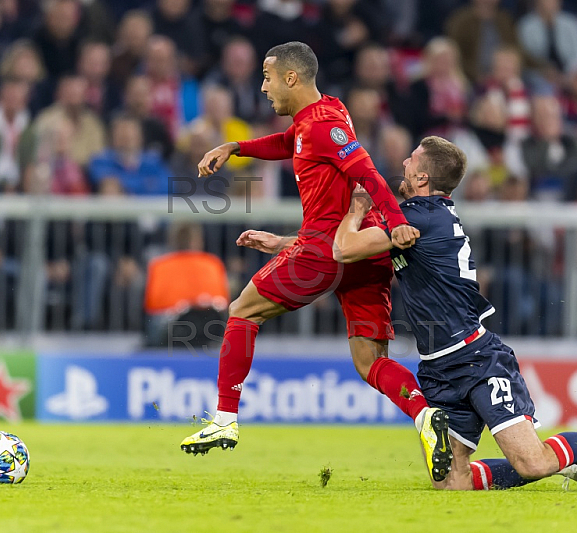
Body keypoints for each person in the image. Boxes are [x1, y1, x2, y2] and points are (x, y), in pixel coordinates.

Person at [332, 136, 577, 490]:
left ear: (423, 178)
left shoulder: (417, 220)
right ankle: (563, 461)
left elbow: (343, 249)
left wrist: (356, 210)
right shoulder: (418, 217)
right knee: (454, 482)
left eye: (411, 160)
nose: (404, 164)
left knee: (531, 463)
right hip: (438, 366)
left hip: (476, 359)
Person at [179, 41, 451, 483]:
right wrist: (236, 146)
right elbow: (287, 142)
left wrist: (399, 223)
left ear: (291, 78)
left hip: (327, 249)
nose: (264, 87)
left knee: (241, 311)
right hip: (363, 251)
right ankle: (424, 416)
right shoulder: (323, 115)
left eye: (268, 77)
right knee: (369, 361)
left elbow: (369, 175)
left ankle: (224, 419)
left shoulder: (326, 128)